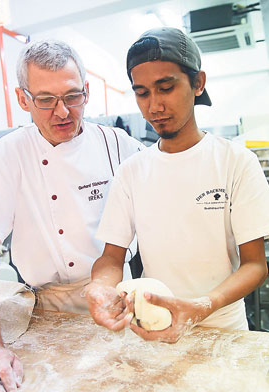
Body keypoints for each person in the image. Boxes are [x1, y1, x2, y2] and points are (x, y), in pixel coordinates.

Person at [0, 39, 144, 392]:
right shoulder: (8, 154)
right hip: (51, 314)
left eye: (72, 96)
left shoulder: (117, 144)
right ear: (22, 99)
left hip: (119, 303)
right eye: (45, 100)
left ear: (87, 92)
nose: (62, 111)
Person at [86, 27, 269, 343]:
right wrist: (100, 286)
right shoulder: (131, 171)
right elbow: (111, 257)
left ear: (198, 83)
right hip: (153, 329)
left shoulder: (235, 162)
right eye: (142, 93)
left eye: (165, 88)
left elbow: (255, 264)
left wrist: (201, 306)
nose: (154, 106)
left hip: (223, 332)